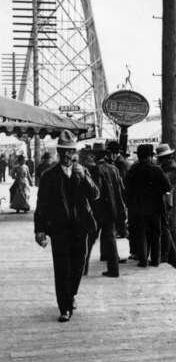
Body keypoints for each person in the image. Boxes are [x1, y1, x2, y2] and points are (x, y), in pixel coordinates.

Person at [33, 130, 100, 322]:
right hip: (59, 229)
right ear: (59, 153)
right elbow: (41, 205)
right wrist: (39, 230)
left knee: (79, 266)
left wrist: (84, 177)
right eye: (63, 152)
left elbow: (95, 194)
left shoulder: (83, 171)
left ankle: (71, 294)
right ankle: (65, 307)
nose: (67, 157)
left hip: (81, 228)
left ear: (75, 154)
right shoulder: (48, 176)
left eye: (71, 153)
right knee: (62, 268)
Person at [124, 144, 171, 267]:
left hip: (138, 208)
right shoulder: (157, 169)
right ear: (150, 156)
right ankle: (155, 261)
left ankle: (143, 260)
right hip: (155, 208)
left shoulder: (133, 170)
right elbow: (167, 187)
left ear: (139, 156)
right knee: (156, 234)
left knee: (141, 234)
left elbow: (126, 189)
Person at [83, 143, 126, 277]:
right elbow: (120, 191)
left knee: (89, 239)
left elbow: (94, 192)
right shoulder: (114, 169)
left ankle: (82, 268)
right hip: (112, 210)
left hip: (97, 211)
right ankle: (114, 270)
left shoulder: (95, 169)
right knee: (110, 239)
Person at [155, 143, 176, 266]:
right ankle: (170, 258)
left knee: (164, 229)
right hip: (162, 199)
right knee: (163, 228)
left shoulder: (173, 168)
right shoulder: (165, 166)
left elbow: (164, 182)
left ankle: (168, 257)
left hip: (166, 200)